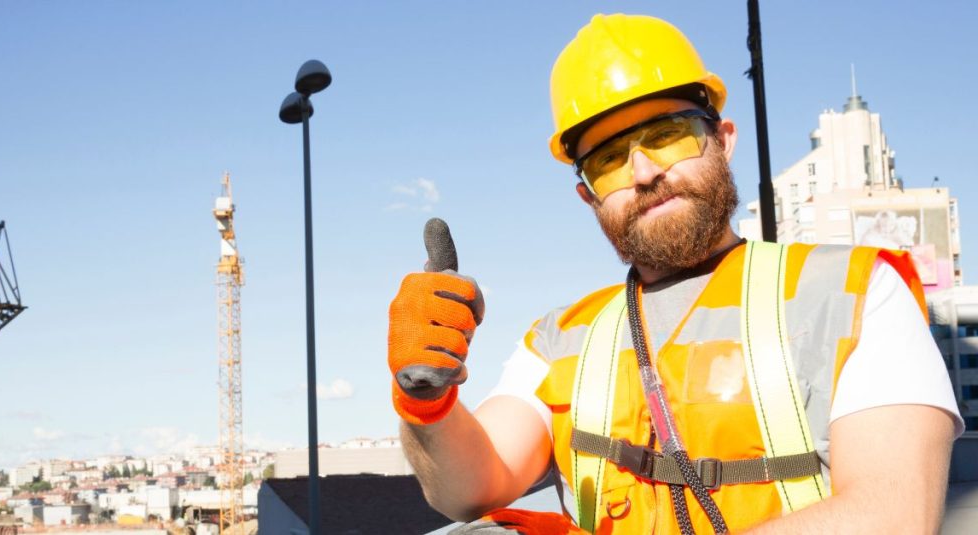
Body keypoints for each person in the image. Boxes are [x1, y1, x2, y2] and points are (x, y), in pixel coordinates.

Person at [387, 14, 963, 534]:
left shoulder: (855, 293)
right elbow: (463, 491)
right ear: (589, 198)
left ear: (723, 140)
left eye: (666, 135)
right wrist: (427, 401)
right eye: (609, 159)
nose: (642, 171)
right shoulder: (561, 340)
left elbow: (893, 516)